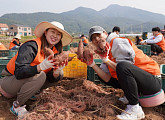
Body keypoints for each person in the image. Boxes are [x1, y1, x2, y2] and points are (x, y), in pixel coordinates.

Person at [82, 26, 164, 120]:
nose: (96, 39)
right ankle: (130, 96)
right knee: (102, 74)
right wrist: (92, 64)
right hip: (140, 85)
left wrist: (106, 60)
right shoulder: (105, 51)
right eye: (93, 38)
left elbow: (125, 67)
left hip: (152, 81)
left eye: (98, 35)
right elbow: (106, 78)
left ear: (105, 33)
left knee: (122, 66)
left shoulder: (116, 42)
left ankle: (135, 109)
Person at [0, 21, 73, 118]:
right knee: (40, 75)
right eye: (52, 32)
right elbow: (19, 72)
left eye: (58, 34)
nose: (55, 36)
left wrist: (56, 72)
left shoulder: (56, 51)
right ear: (45, 32)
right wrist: (40, 67)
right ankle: (17, 106)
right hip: (8, 83)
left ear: (60, 38)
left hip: (24, 84)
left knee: (60, 74)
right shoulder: (31, 46)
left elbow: (49, 78)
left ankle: (32, 93)